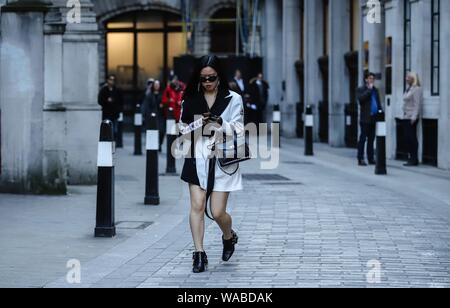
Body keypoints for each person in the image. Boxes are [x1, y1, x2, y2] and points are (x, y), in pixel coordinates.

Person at [179, 55, 244, 273]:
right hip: (196, 156)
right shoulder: (189, 99)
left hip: (222, 157)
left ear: (219, 77)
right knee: (197, 206)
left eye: (212, 78)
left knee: (217, 212)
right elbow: (182, 128)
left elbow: (239, 128)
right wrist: (198, 125)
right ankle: (199, 253)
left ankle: (229, 236)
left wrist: (220, 122)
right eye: (203, 78)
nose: (207, 82)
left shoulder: (233, 98)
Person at [356, 72, 383, 166]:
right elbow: (361, 100)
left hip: (374, 118)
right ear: (366, 79)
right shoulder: (361, 89)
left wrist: (380, 112)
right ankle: (360, 158)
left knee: (371, 139)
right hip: (365, 118)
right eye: (370, 78)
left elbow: (378, 102)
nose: (372, 80)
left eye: (373, 78)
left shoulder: (376, 90)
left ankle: (370, 158)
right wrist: (369, 90)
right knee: (363, 139)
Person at [402, 72, 422, 167]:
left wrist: (414, 117)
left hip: (412, 117)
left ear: (413, 79)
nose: (406, 79)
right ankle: (411, 158)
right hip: (406, 116)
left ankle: (414, 159)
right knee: (407, 138)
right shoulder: (408, 89)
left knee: (412, 138)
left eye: (408, 77)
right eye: (406, 77)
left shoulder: (416, 89)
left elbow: (417, 104)